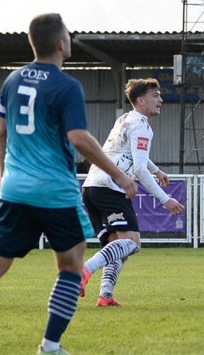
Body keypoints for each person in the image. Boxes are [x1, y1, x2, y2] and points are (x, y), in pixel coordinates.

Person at [0, 13, 137, 355]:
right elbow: (79, 138)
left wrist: (7, 177)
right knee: (71, 268)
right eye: (68, 33)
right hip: (54, 191)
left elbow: (0, 134)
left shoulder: (11, 81)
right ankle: (51, 346)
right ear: (60, 43)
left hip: (14, 190)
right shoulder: (66, 85)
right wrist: (119, 174)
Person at [79, 79, 185, 307]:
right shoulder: (142, 125)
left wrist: (156, 170)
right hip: (111, 186)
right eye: (155, 95)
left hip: (92, 186)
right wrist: (165, 200)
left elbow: (132, 153)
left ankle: (105, 295)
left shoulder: (125, 119)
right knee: (132, 242)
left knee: (118, 247)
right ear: (141, 100)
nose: (161, 100)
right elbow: (137, 168)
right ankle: (84, 270)